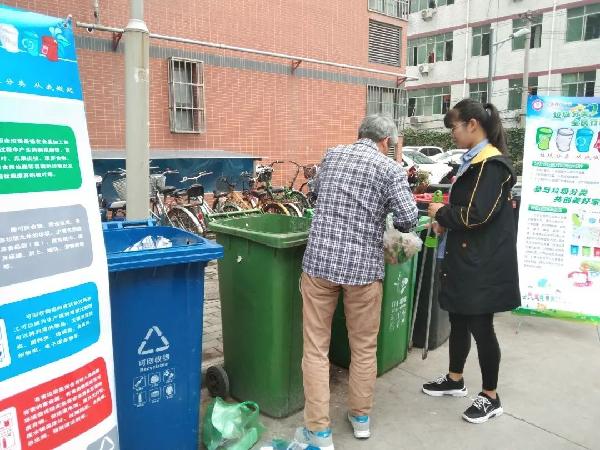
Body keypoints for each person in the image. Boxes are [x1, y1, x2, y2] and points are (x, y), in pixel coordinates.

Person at [295, 114, 418, 449]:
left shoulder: (333, 154)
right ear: (386, 141)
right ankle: (360, 418)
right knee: (363, 347)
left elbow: (315, 193)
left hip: (320, 264)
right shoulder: (390, 169)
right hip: (363, 271)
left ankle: (319, 433)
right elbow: (408, 219)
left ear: (360, 133)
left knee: (316, 348)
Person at [422, 98, 520, 424]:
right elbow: (466, 211)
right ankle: (455, 379)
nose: (452, 133)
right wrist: (445, 221)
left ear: (472, 125)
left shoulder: (492, 166)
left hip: (482, 262)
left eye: (454, 127)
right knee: (459, 320)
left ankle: (491, 396)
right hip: (465, 255)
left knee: (480, 326)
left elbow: (477, 215)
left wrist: (442, 213)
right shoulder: (473, 163)